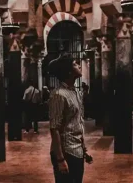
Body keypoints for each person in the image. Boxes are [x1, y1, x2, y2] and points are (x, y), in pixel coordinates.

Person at [49, 54, 92, 183]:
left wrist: (84, 150)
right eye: (75, 64)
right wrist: (60, 159)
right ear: (68, 71)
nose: (79, 65)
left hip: (77, 150)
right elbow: (54, 128)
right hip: (66, 151)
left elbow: (77, 123)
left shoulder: (75, 92)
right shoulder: (59, 95)